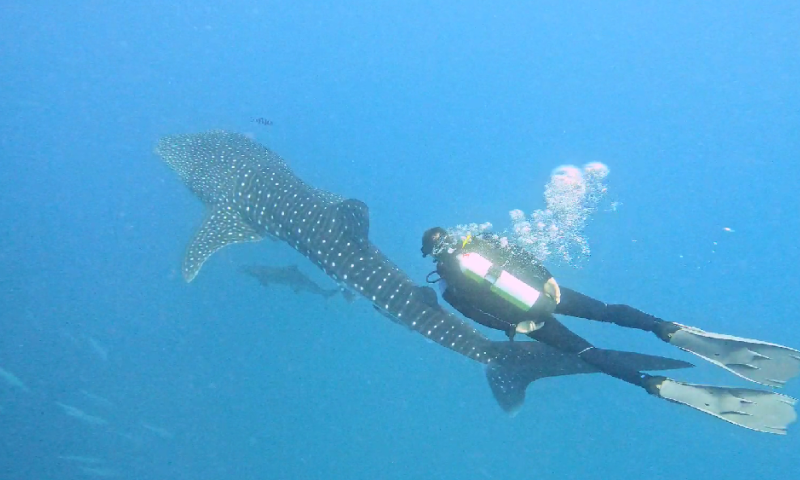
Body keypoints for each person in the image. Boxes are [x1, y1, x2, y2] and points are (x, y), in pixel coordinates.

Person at [421, 226, 800, 434]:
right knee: (608, 311)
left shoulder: (447, 284)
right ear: (454, 236)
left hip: (528, 319)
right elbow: (522, 255)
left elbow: (473, 313)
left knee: (588, 354)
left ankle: (652, 384)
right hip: (547, 293)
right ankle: (664, 328)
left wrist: (516, 324)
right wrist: (549, 279)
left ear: (433, 257)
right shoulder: (482, 242)